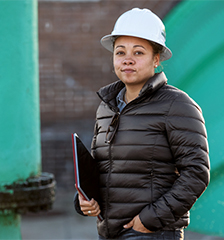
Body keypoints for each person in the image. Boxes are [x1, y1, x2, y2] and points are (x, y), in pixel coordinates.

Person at [74, 8, 210, 240]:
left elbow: (196, 173)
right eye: (120, 52)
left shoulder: (177, 105)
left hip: (151, 233)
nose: (127, 59)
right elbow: (101, 169)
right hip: (110, 231)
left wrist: (150, 220)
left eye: (138, 52)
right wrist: (84, 201)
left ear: (156, 59)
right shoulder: (107, 107)